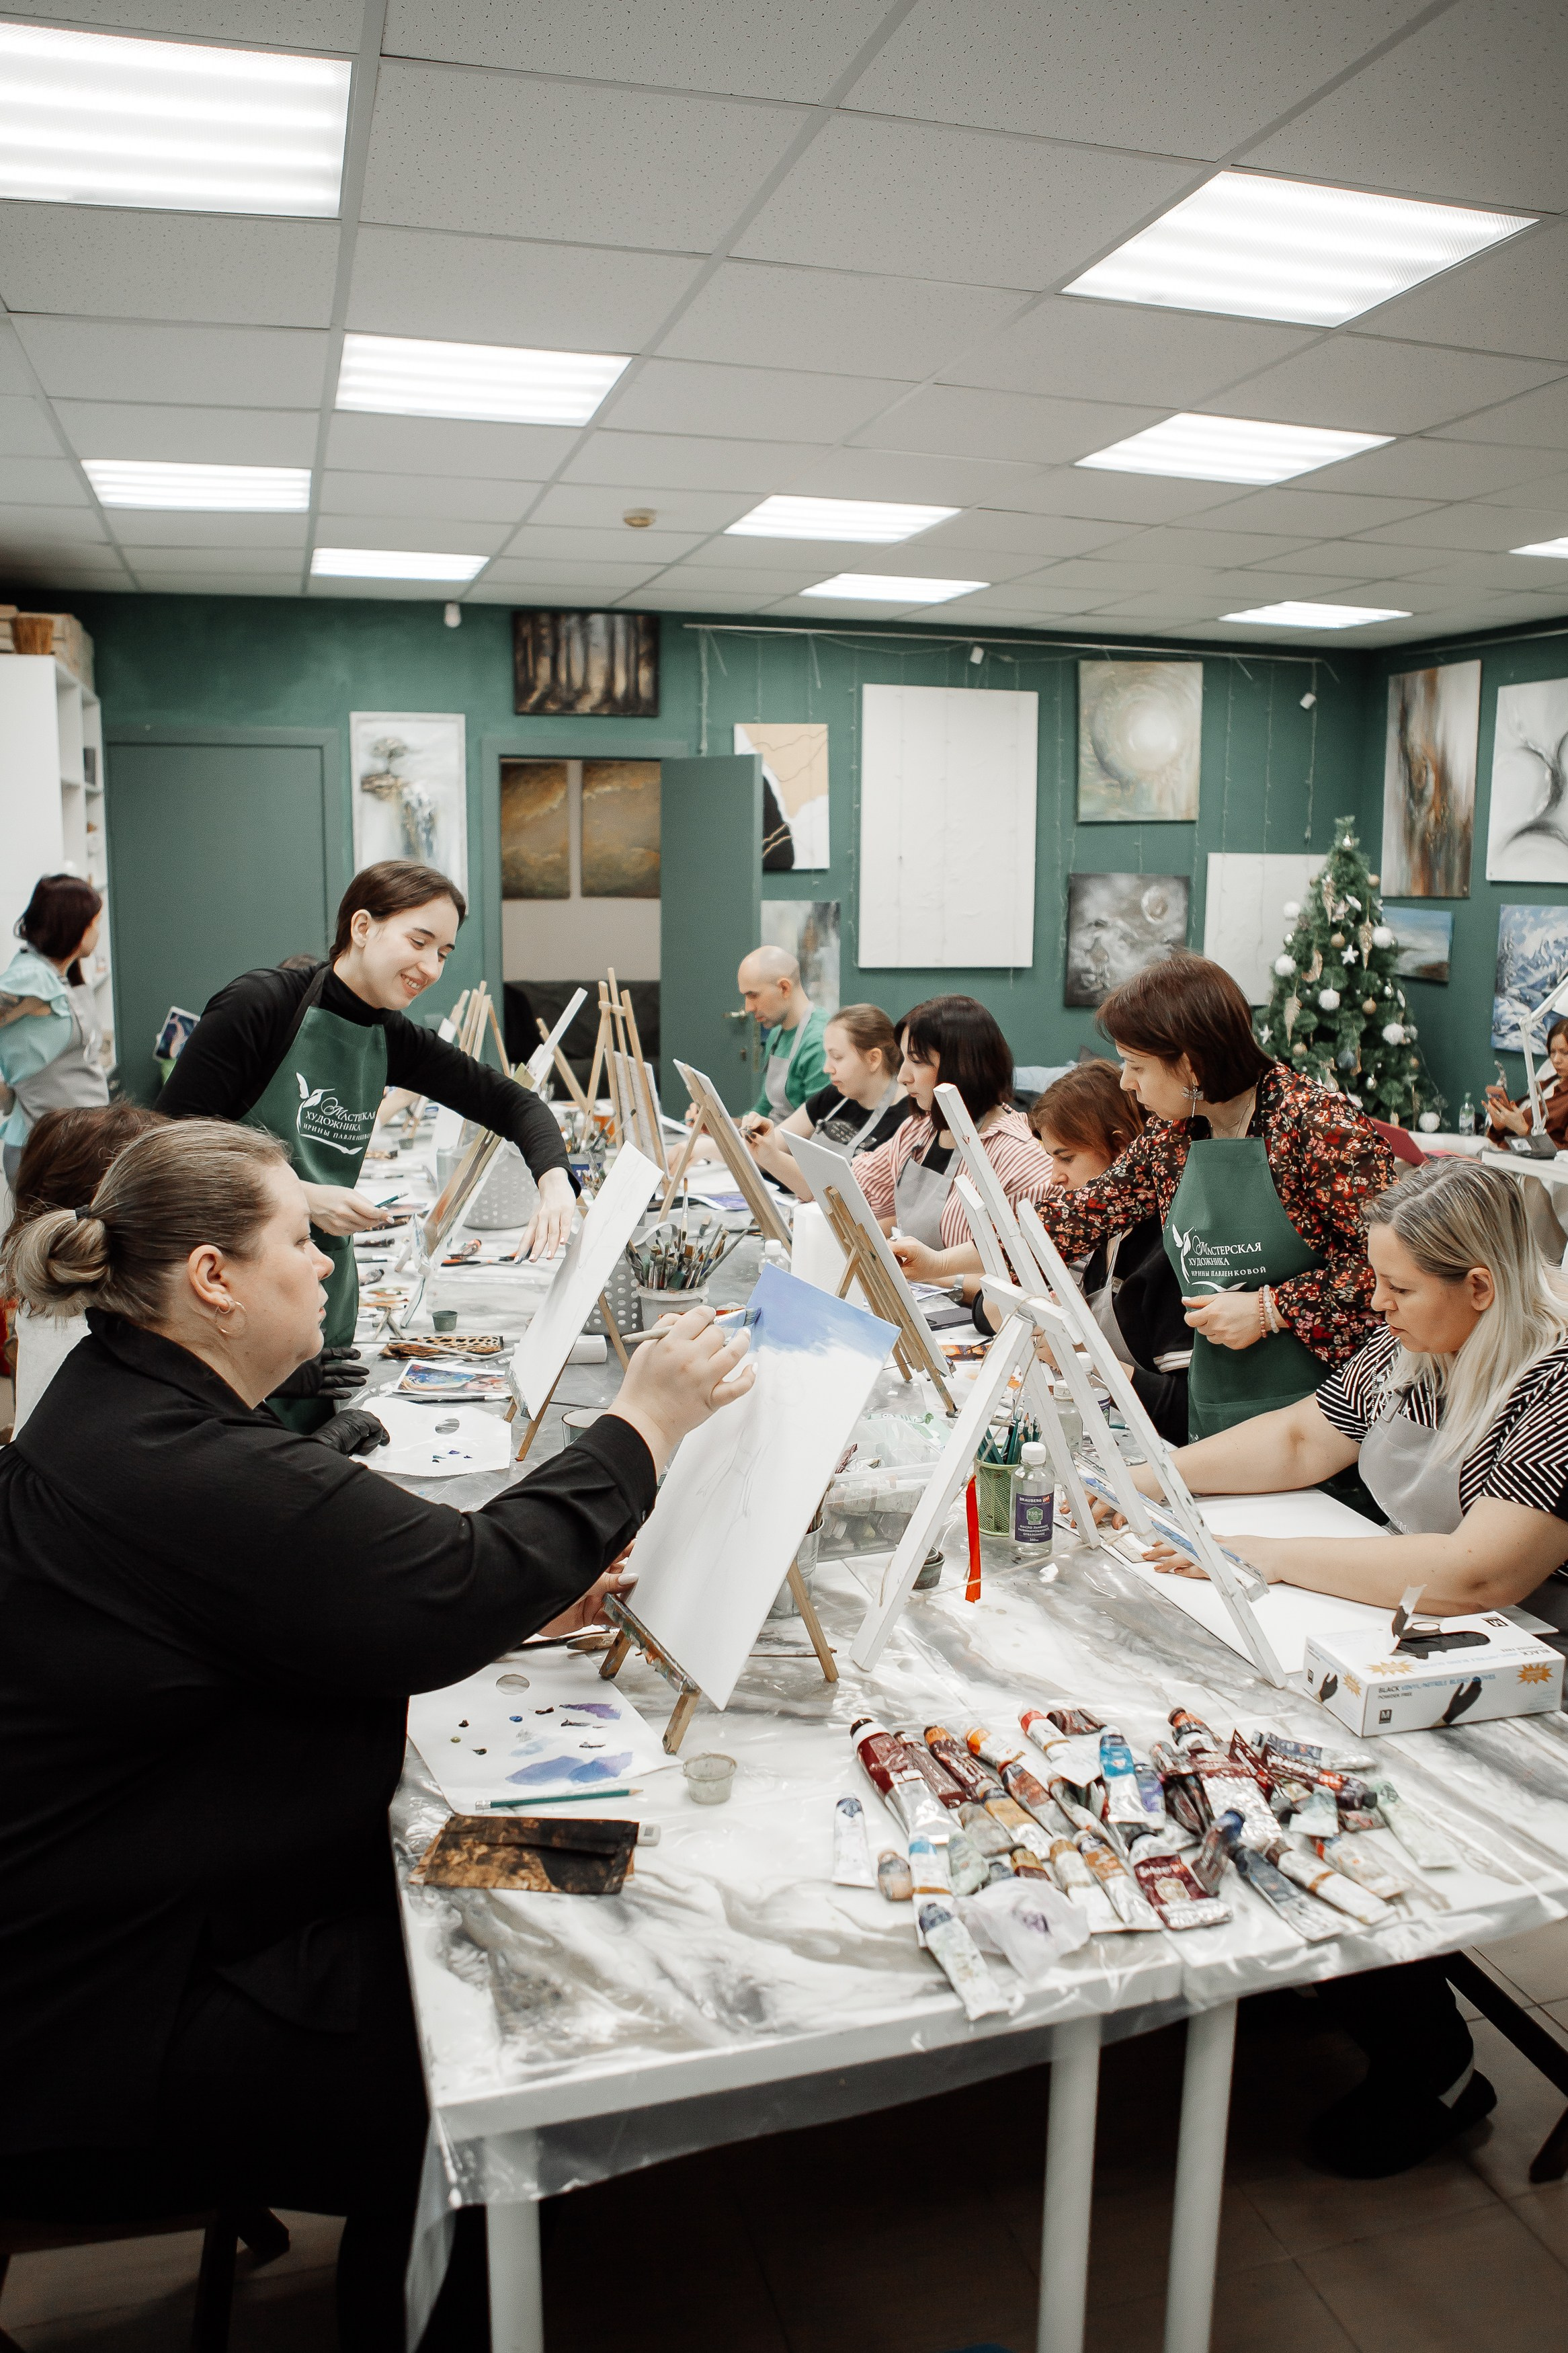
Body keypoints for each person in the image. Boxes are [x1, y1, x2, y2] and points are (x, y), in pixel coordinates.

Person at [0, 1118, 753, 2348]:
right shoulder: (180, 1463)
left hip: (137, 1917)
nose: (324, 1263)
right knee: (518, 2072)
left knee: (565, 1879)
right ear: (213, 1279)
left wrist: (481, 1603)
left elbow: (299, 1606)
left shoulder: (120, 1404)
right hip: (97, 2029)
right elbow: (463, 1573)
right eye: (300, 1238)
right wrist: (643, 1424)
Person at [1108, 1157, 1568, 2176]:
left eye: (1397, 1288)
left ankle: (1433, 2062)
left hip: (1526, 1661)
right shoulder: (1410, 1344)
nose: (1375, 1303)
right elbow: (1300, 1440)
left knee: (1325, 1792)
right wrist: (1147, 1482)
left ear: (1480, 1288)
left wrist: (1254, 1557)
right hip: (1434, 1631)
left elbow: (1475, 1571)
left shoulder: (1556, 1388)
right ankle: (1347, 1976)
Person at [158, 860, 577, 1429]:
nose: (430, 968)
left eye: (444, 954)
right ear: (361, 927)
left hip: (322, 1289)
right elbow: (167, 1148)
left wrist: (553, 1179)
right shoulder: (260, 1006)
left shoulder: (390, 1035)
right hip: (233, 1290)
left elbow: (513, 1102)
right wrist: (301, 1196)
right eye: (419, 941)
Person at [1028, 953, 1394, 1439]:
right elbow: (1084, 1214)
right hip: (1219, 1393)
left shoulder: (1319, 1127)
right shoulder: (1175, 1133)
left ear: (1190, 1063)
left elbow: (1389, 1269)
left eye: (1136, 1065)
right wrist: (946, 1262)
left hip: (1325, 1410)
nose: (1125, 1082)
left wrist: (1273, 1309)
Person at [997, 1061, 1190, 1445]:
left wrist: (1084, 1356)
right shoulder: (1106, 1234)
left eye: (1066, 1158)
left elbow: (1188, 1413)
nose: (1054, 1176)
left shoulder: (1168, 1252)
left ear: (1121, 1148)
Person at [858, 996, 1054, 1280]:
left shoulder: (1020, 1159)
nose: (902, 1077)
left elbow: (1027, 1276)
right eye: (903, 1060)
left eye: (917, 1061)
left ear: (963, 1067)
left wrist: (937, 1274)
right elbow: (860, 1191)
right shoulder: (920, 1130)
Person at [0, 875, 110, 1187]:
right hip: (48, 1155)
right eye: (96, 923)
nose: (98, 932)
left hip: (78, 1145)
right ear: (77, 927)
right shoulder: (32, 979)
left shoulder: (63, 972)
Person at [747, 1002, 909, 1199]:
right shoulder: (836, 1095)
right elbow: (774, 1141)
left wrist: (771, 1157)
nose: (826, 1068)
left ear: (873, 1059)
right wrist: (756, 1136)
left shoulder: (907, 1121)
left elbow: (844, 1198)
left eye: (837, 1057)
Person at [739, 945, 829, 1129]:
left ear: (784, 988)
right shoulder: (776, 1033)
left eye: (753, 995)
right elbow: (764, 1109)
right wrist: (719, 1125)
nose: (748, 1008)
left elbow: (817, 1129)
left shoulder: (820, 1042)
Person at [1487, 1014, 1568, 1148]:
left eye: (1565, 1053)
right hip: (1507, 1155)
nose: (1556, 1060)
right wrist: (1500, 1126)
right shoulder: (1547, 1084)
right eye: (1552, 1052)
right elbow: (1503, 1139)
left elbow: (1565, 1152)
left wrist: (1525, 1131)